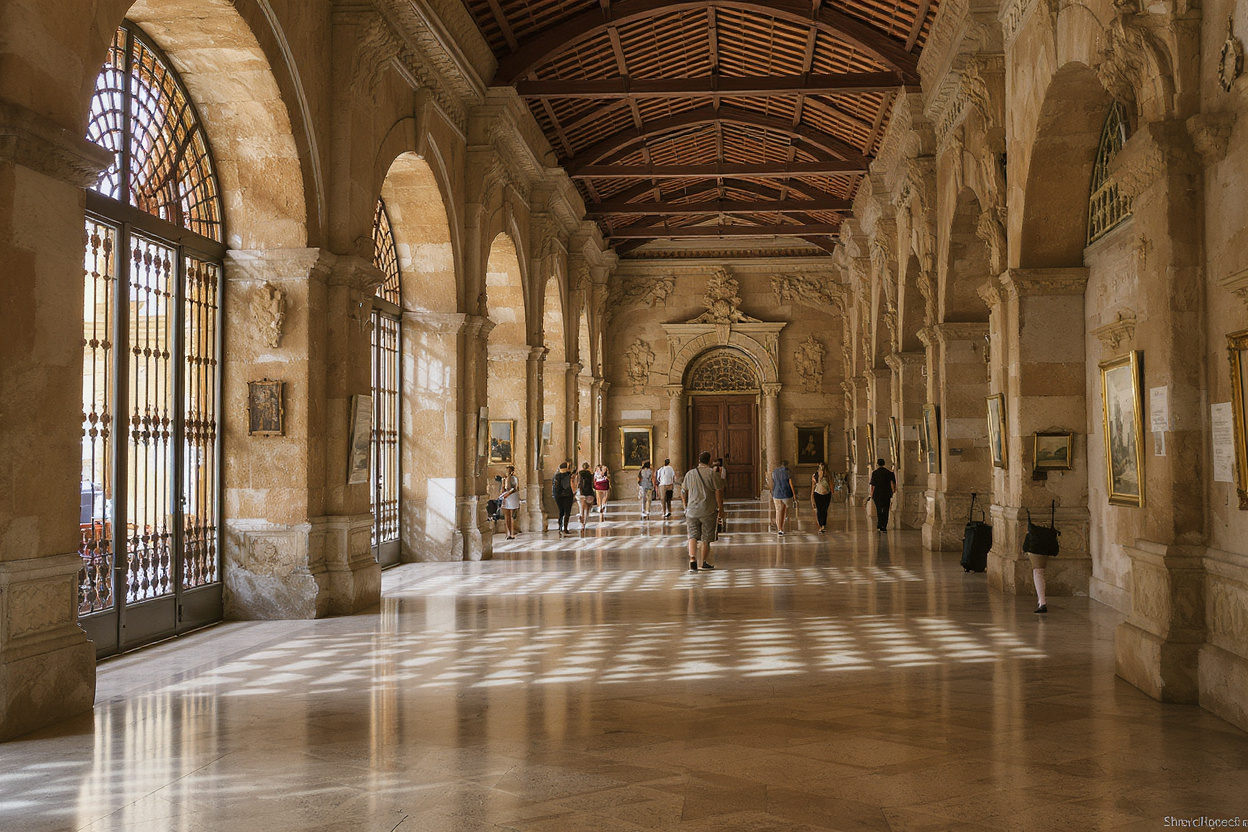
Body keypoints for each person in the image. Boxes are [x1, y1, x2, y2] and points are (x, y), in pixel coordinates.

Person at [681, 451, 724, 571]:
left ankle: (692, 559)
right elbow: (718, 493)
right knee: (706, 537)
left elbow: (683, 491)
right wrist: (720, 509)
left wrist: (685, 506)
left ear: (699, 460)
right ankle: (704, 562)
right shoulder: (712, 474)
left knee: (692, 535)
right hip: (708, 510)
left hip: (692, 510)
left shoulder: (689, 474)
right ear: (709, 461)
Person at [868, 458, 897, 533]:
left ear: (877, 464)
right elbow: (893, 483)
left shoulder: (875, 473)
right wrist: (893, 491)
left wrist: (871, 494)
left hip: (877, 493)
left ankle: (879, 524)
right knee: (886, 509)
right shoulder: (889, 473)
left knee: (879, 509)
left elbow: (872, 485)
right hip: (886, 493)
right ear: (884, 464)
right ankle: (884, 525)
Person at [771, 459, 796, 535]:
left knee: (778, 511)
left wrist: (772, 491)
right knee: (785, 510)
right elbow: (790, 483)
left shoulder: (774, 471)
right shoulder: (787, 472)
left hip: (776, 493)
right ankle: (783, 527)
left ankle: (779, 529)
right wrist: (794, 494)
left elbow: (773, 482)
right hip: (786, 493)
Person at [552, 461, 575, 535]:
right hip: (568, 495)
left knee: (561, 511)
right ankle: (565, 528)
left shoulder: (556, 476)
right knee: (567, 512)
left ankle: (560, 526)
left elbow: (555, 486)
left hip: (558, 496)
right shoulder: (569, 475)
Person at [500, 465, 521, 540]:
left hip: (512, 497)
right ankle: (508, 533)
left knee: (511, 515)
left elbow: (514, 488)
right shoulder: (505, 479)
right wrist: (503, 484)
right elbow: (503, 489)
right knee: (507, 515)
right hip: (506, 496)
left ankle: (512, 533)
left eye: (508, 470)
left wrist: (507, 494)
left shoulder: (514, 478)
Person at [810, 462, 832, 533]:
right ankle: (820, 525)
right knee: (819, 510)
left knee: (824, 510)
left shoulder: (828, 475)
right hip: (818, 494)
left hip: (827, 494)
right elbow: (813, 487)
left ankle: (824, 524)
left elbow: (831, 483)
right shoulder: (815, 475)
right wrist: (812, 498)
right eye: (821, 467)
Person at [576, 462, 594, 529]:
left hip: (582, 492)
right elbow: (592, 483)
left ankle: (581, 516)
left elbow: (579, 483)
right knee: (588, 508)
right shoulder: (590, 474)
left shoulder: (580, 473)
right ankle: (584, 522)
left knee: (582, 508)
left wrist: (580, 491)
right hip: (589, 491)